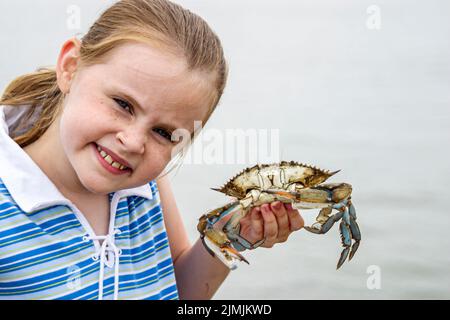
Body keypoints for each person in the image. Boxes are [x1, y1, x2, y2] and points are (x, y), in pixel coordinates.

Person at [0, 0, 304, 300]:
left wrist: (227, 238)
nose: (133, 142)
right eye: (123, 104)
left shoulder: (145, 184)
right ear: (70, 68)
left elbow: (172, 291)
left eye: (163, 133)